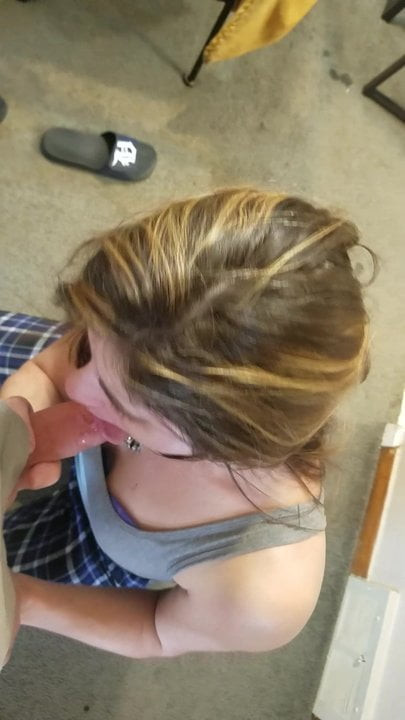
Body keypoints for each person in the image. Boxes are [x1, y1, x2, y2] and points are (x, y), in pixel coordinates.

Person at [0, 187, 373, 660]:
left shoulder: (260, 591)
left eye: (121, 402)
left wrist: (19, 599)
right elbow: (50, 371)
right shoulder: (140, 331)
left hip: (96, 544)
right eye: (87, 346)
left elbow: (157, 630)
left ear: (227, 444)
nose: (74, 384)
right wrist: (9, 438)